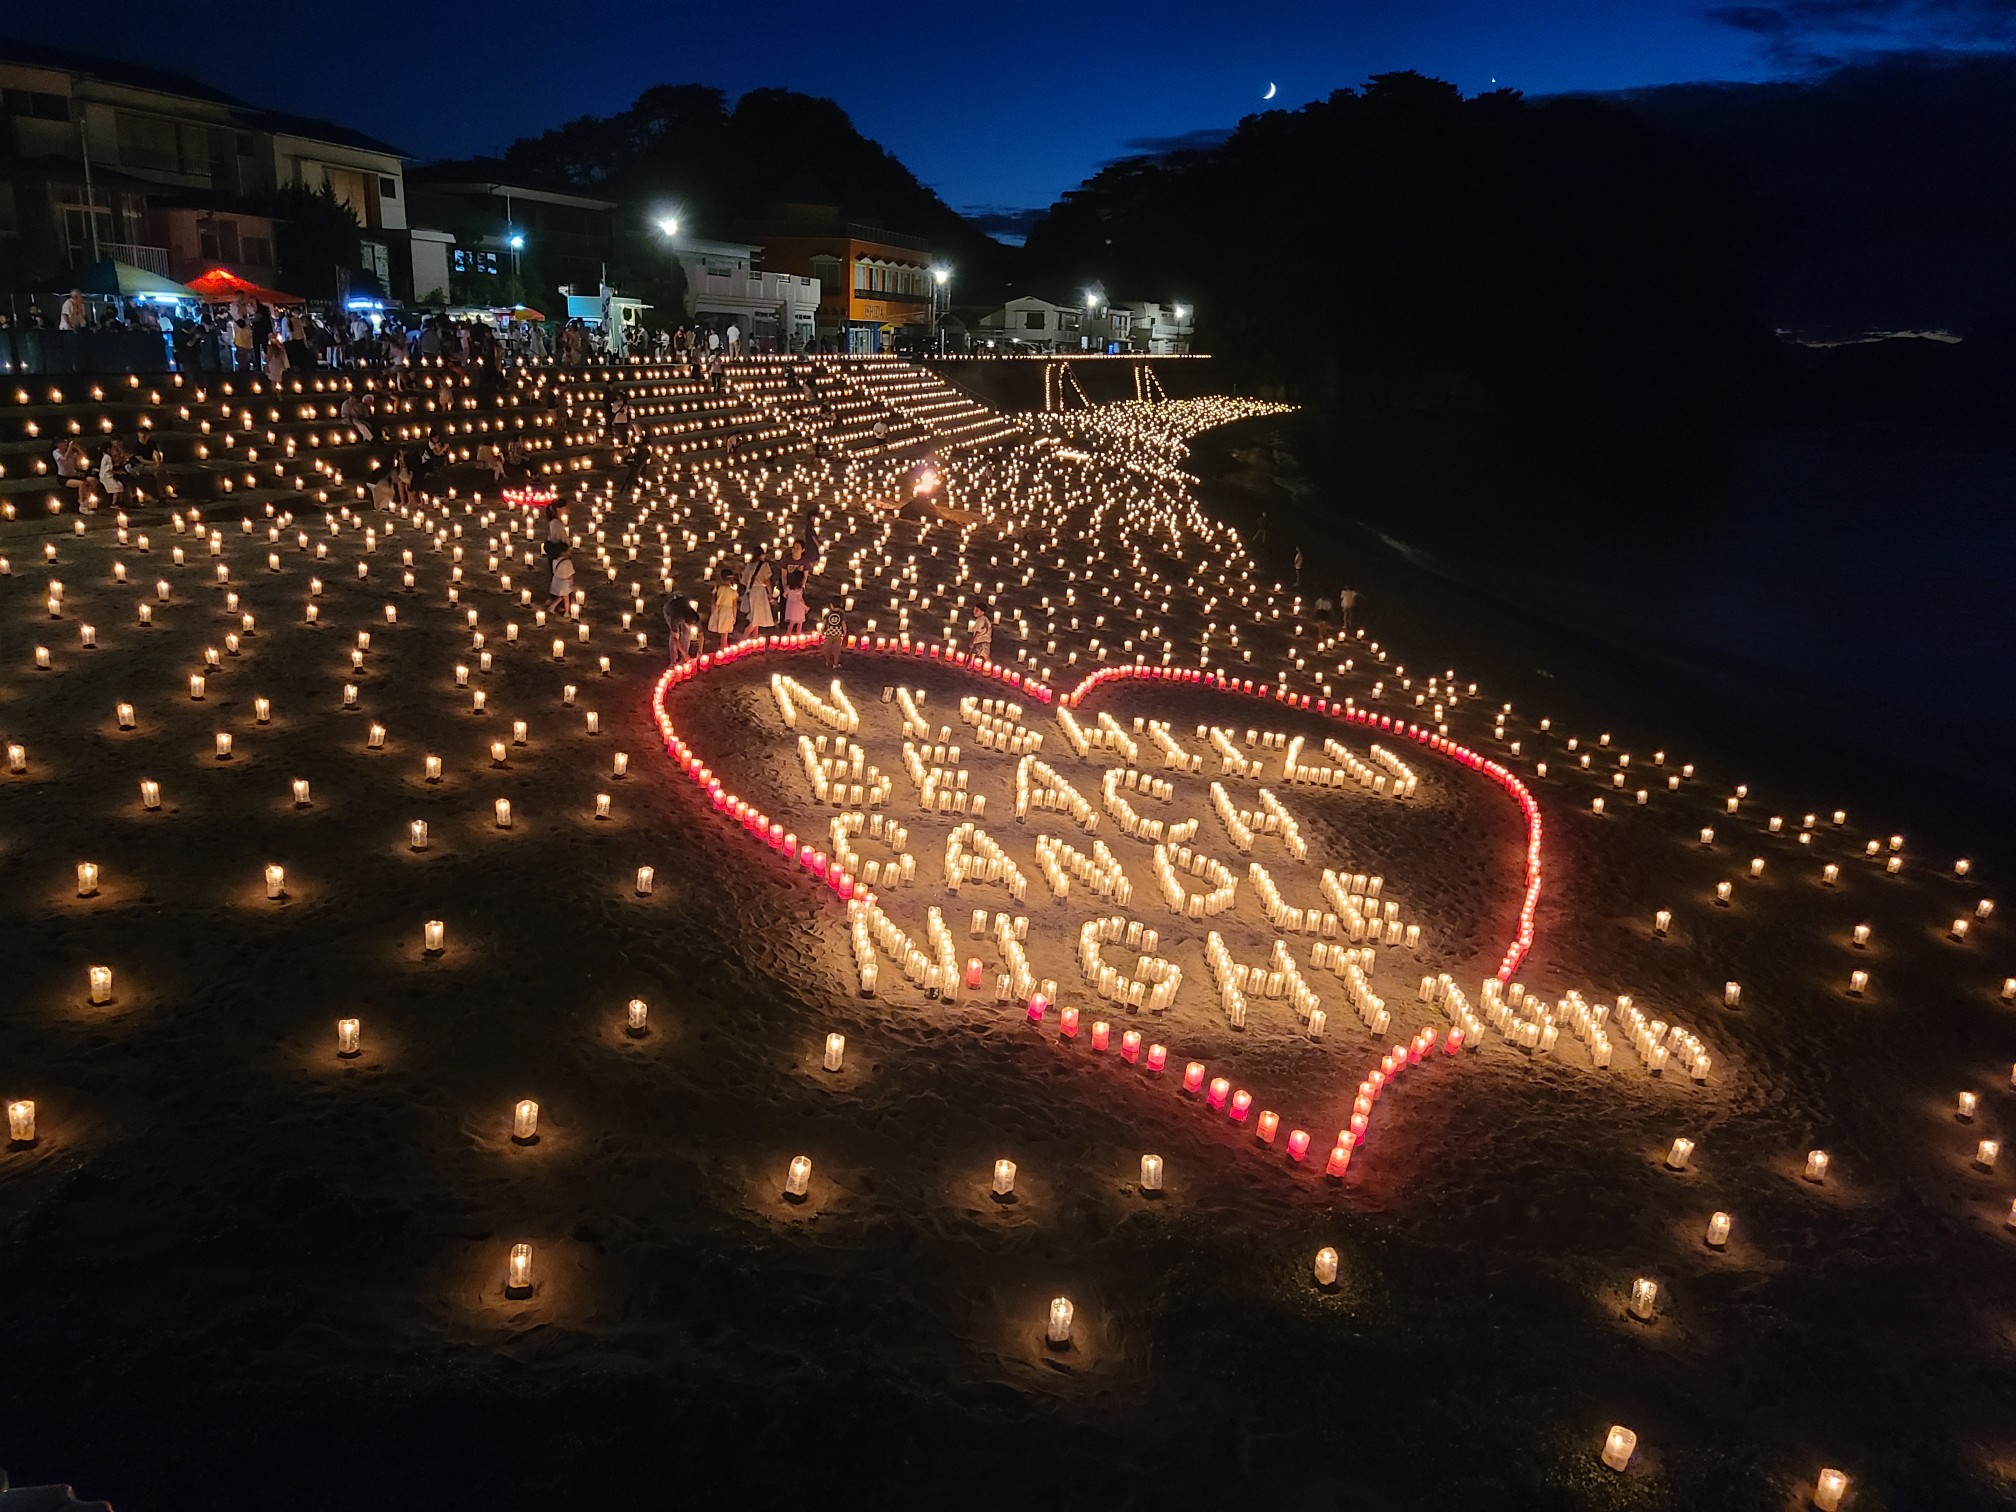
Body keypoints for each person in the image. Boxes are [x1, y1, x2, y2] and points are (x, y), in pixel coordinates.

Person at [741, 547, 776, 639]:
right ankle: (743, 638)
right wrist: (770, 594)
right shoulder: (764, 565)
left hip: (751, 591)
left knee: (756, 615)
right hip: (760, 591)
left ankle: (755, 637)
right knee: (756, 618)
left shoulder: (749, 565)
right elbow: (767, 580)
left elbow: (744, 581)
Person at [663, 586, 701, 664]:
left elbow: (701, 635)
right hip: (670, 609)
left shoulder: (694, 616)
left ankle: (683, 659)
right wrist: (684, 653)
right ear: (685, 621)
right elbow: (674, 638)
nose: (692, 627)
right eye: (690, 625)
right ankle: (673, 660)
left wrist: (700, 650)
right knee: (676, 635)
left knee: (687, 633)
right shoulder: (675, 617)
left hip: (682, 602)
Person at [707, 568, 739, 651]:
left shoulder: (717, 588)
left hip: (719, 610)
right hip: (728, 611)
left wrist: (712, 613)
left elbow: (713, 602)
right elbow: (734, 605)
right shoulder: (732, 591)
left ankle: (724, 645)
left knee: (723, 631)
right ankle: (723, 647)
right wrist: (734, 616)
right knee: (725, 632)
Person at [781, 546, 810, 632]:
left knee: (791, 624)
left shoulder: (788, 588)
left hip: (790, 608)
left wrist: (789, 598)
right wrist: (806, 608)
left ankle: (787, 637)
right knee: (799, 624)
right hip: (798, 610)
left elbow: (784, 595)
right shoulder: (799, 590)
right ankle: (797, 638)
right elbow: (800, 601)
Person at [545, 545, 576, 615]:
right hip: (564, 582)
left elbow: (554, 571)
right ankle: (567, 612)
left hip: (556, 580)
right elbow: (570, 574)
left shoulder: (555, 561)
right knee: (566, 598)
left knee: (561, 596)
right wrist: (571, 583)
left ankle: (552, 607)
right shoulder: (567, 562)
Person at [820, 600, 847, 668]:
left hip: (829, 634)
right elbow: (843, 624)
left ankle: (828, 661)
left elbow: (823, 624)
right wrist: (844, 632)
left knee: (827, 648)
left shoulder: (828, 614)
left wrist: (822, 630)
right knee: (836, 649)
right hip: (838, 634)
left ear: (831, 605)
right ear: (840, 605)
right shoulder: (841, 614)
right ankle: (835, 663)